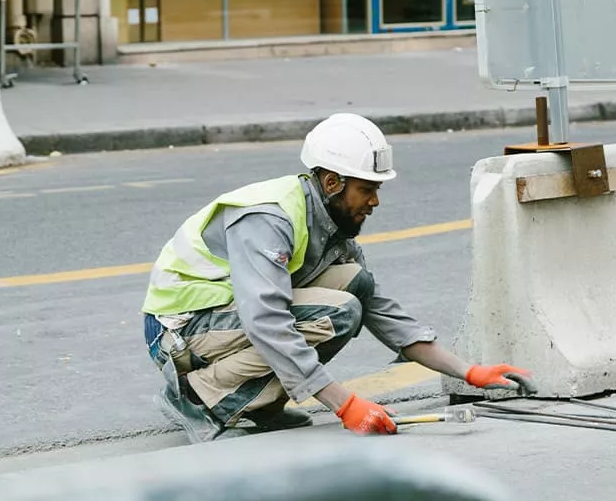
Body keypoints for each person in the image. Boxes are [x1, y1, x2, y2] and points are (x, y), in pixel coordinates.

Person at [141, 113, 535, 443]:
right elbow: (267, 320)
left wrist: (469, 371)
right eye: (367, 189)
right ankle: (198, 399)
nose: (375, 201)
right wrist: (344, 404)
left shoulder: (330, 223)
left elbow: (381, 310)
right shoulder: (269, 218)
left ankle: (258, 406)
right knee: (339, 312)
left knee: (354, 285)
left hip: (222, 321)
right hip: (180, 331)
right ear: (332, 183)